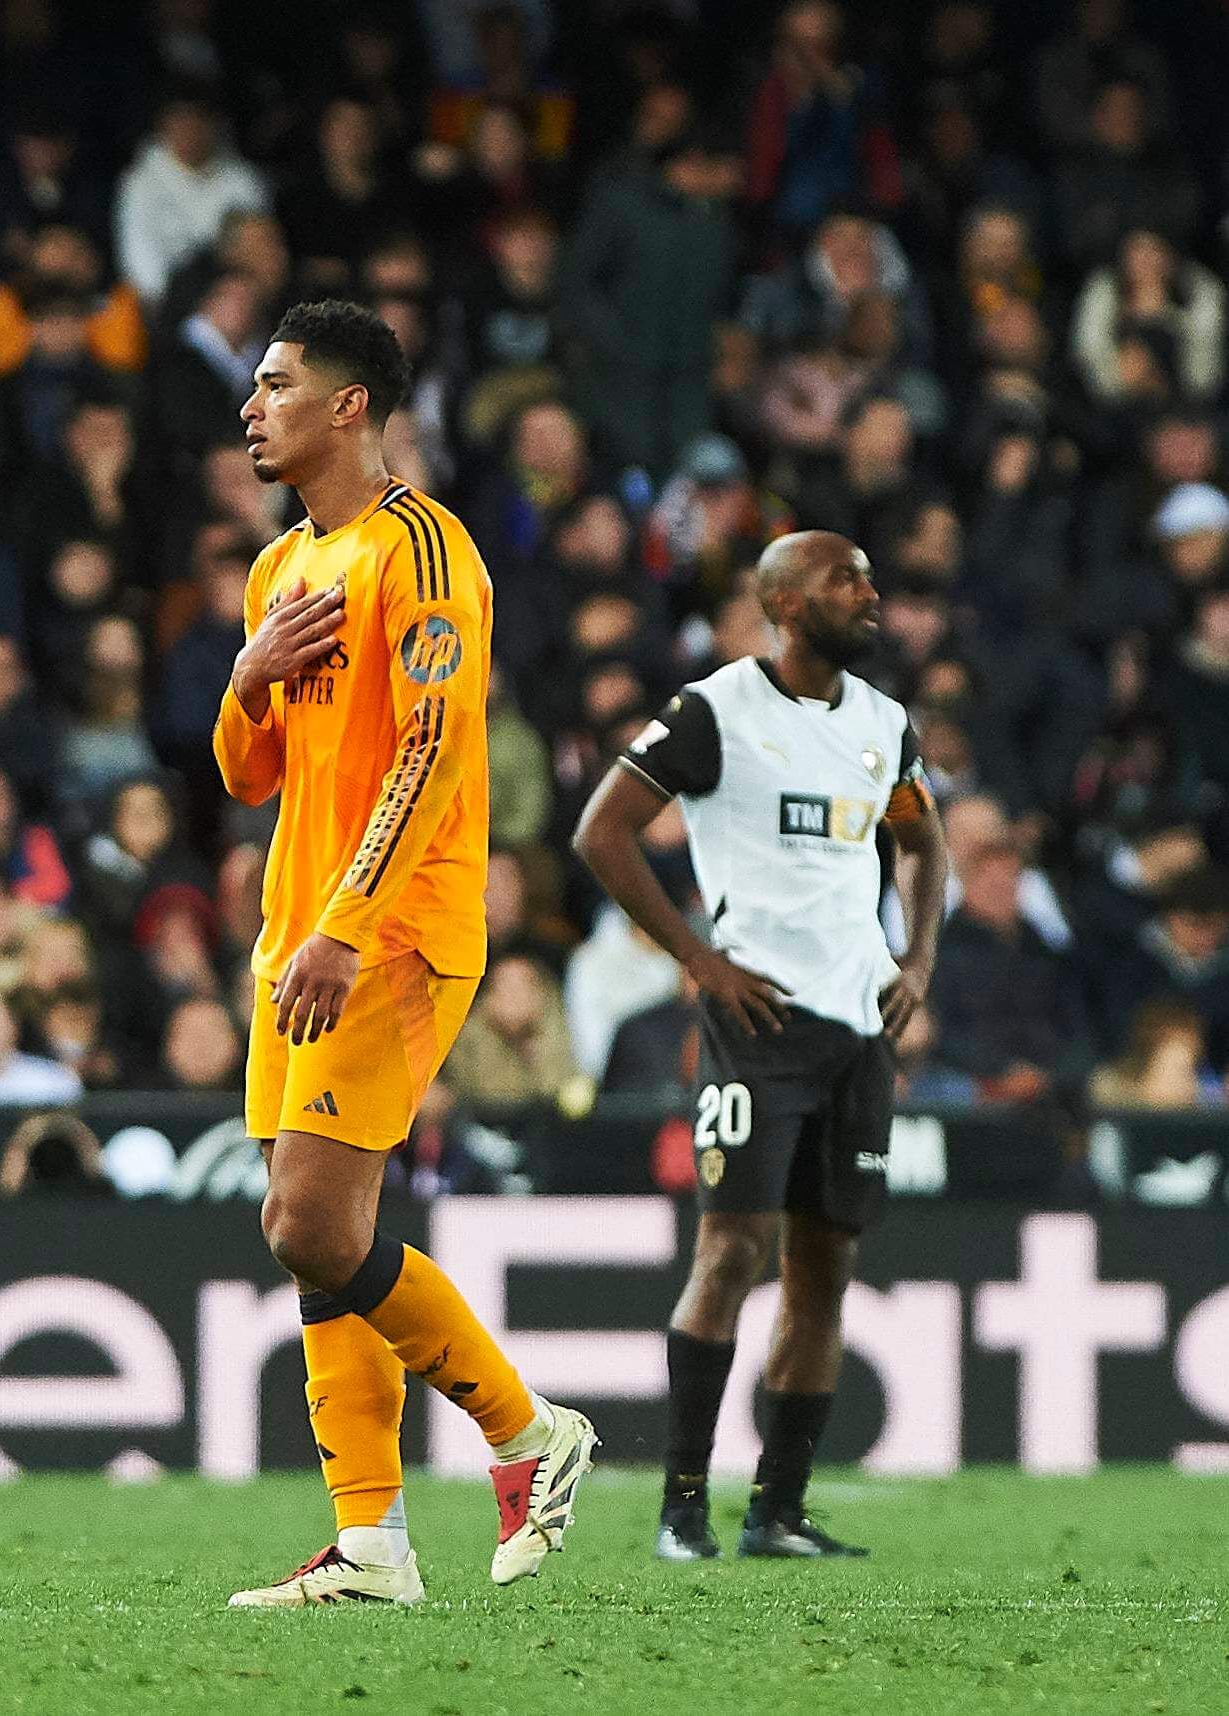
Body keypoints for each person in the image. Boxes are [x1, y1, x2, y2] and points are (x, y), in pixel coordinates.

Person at [213, 300, 592, 1608]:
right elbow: (242, 768)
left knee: (306, 1220)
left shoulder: (422, 549)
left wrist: (343, 923)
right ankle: (369, 1541)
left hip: (383, 928)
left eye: (273, 385)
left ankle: (526, 1432)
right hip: (297, 926)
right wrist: (245, 672)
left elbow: (431, 755)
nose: (250, 407)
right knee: (323, 1238)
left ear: (349, 405)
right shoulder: (278, 571)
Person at [571, 529, 950, 1562]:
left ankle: (777, 1510)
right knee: (732, 1250)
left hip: (858, 1027)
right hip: (757, 1024)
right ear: (783, 602)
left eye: (872, 576)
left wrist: (913, 961)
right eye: (844, 579)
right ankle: (681, 1506)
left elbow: (919, 839)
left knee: (827, 1265)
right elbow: (603, 832)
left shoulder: (882, 724)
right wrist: (699, 960)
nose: (868, 593)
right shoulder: (714, 712)